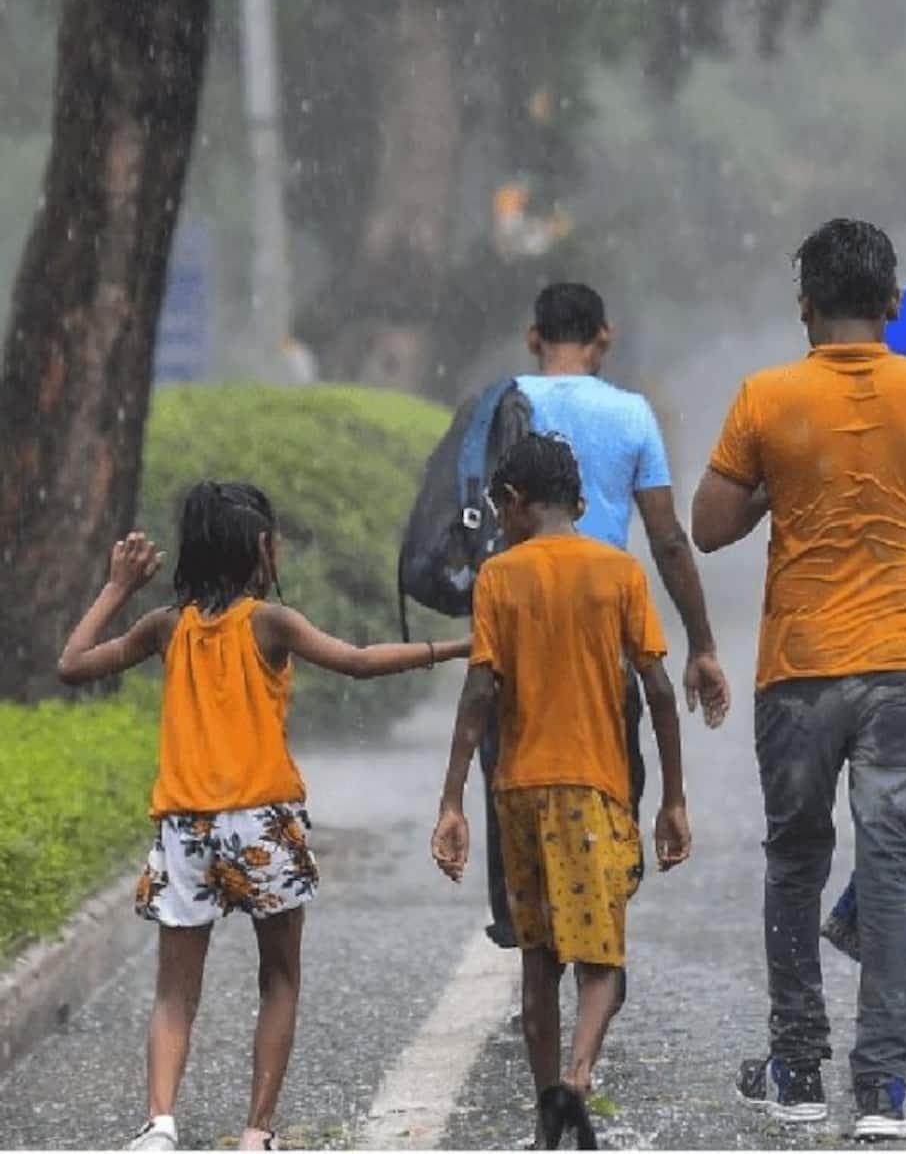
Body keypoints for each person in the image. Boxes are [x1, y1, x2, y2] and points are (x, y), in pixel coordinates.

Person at [693, 219, 906, 1141]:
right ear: (895, 304)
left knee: (794, 862)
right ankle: (884, 1087)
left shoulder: (767, 396)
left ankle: (795, 1066)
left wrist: (784, 482)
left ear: (805, 309)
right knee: (894, 868)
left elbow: (710, 524)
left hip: (799, 671)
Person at [55, 483, 467, 1153]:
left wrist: (116, 587)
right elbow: (359, 663)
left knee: (174, 990)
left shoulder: (166, 625)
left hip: (186, 827)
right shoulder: (270, 623)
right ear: (259, 550)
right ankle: (256, 1132)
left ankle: (159, 1123)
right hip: (262, 824)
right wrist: (455, 648)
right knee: (278, 978)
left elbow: (71, 664)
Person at [431, 435, 692, 1151]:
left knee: (539, 958)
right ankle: (577, 1076)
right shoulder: (619, 572)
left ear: (514, 503)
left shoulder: (499, 577)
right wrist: (671, 795)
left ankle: (548, 1121)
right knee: (602, 958)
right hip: (595, 787)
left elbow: (480, 689)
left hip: (517, 788)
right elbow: (660, 690)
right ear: (573, 501)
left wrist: (454, 797)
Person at [479, 282, 729, 957]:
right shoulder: (631, 414)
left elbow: (477, 518)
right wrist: (700, 642)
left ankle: (524, 925)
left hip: (518, 637)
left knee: (511, 776)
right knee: (609, 782)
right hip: (603, 645)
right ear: (604, 338)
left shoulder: (505, 405)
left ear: (534, 338)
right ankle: (598, 920)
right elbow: (667, 536)